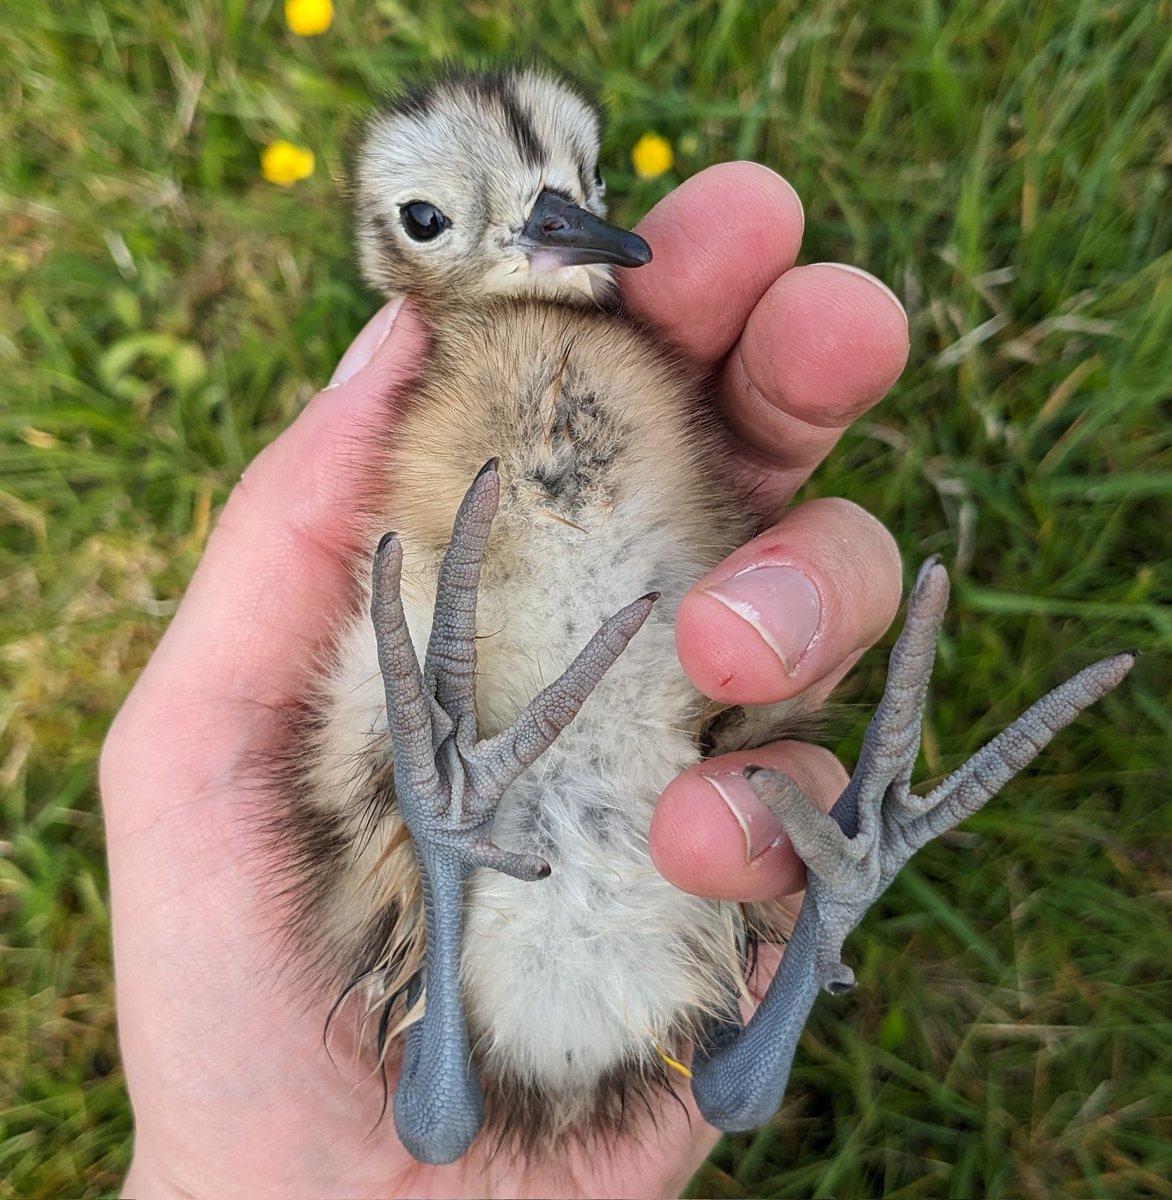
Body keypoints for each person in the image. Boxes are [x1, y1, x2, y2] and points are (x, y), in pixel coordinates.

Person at [101, 162, 909, 1198]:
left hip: (521, 961)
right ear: (396, 257)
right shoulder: (464, 414)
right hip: (520, 970)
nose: (555, 220)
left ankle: (451, 862)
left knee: (457, 692)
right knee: (397, 680)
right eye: (440, 216)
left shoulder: (602, 401)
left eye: (573, 178)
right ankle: (481, 875)